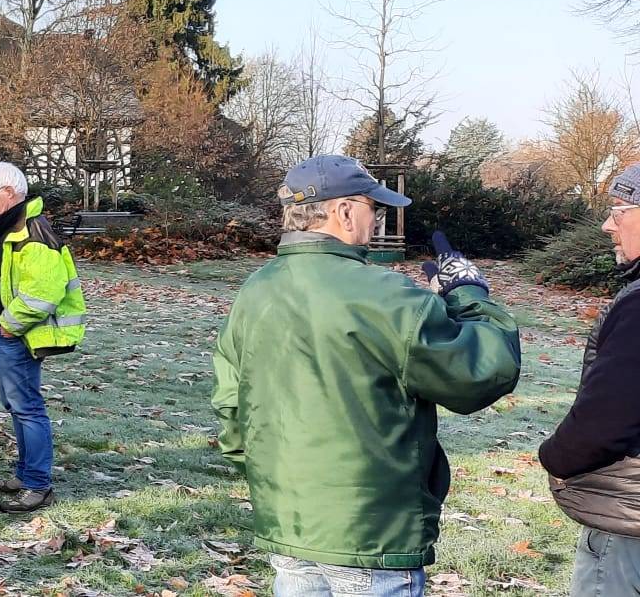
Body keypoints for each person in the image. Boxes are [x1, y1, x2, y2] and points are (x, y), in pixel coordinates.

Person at [213, 155, 521, 596]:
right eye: (373, 208)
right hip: (373, 532)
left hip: (287, 521)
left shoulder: (257, 289)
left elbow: (230, 404)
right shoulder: (387, 296)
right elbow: (481, 372)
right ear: (343, 212)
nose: (377, 219)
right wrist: (469, 293)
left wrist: (272, 476)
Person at [541, 162, 640, 597]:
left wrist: (555, 459)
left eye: (619, 211)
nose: (607, 225)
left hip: (628, 523)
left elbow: (607, 418)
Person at [0, 161, 86, 513]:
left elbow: (43, 292)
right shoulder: (10, 227)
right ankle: (26, 475)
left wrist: (9, 324)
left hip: (17, 336)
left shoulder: (32, 232)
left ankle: (37, 484)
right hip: (3, 334)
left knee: (28, 408)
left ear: (8, 192)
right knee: (17, 407)